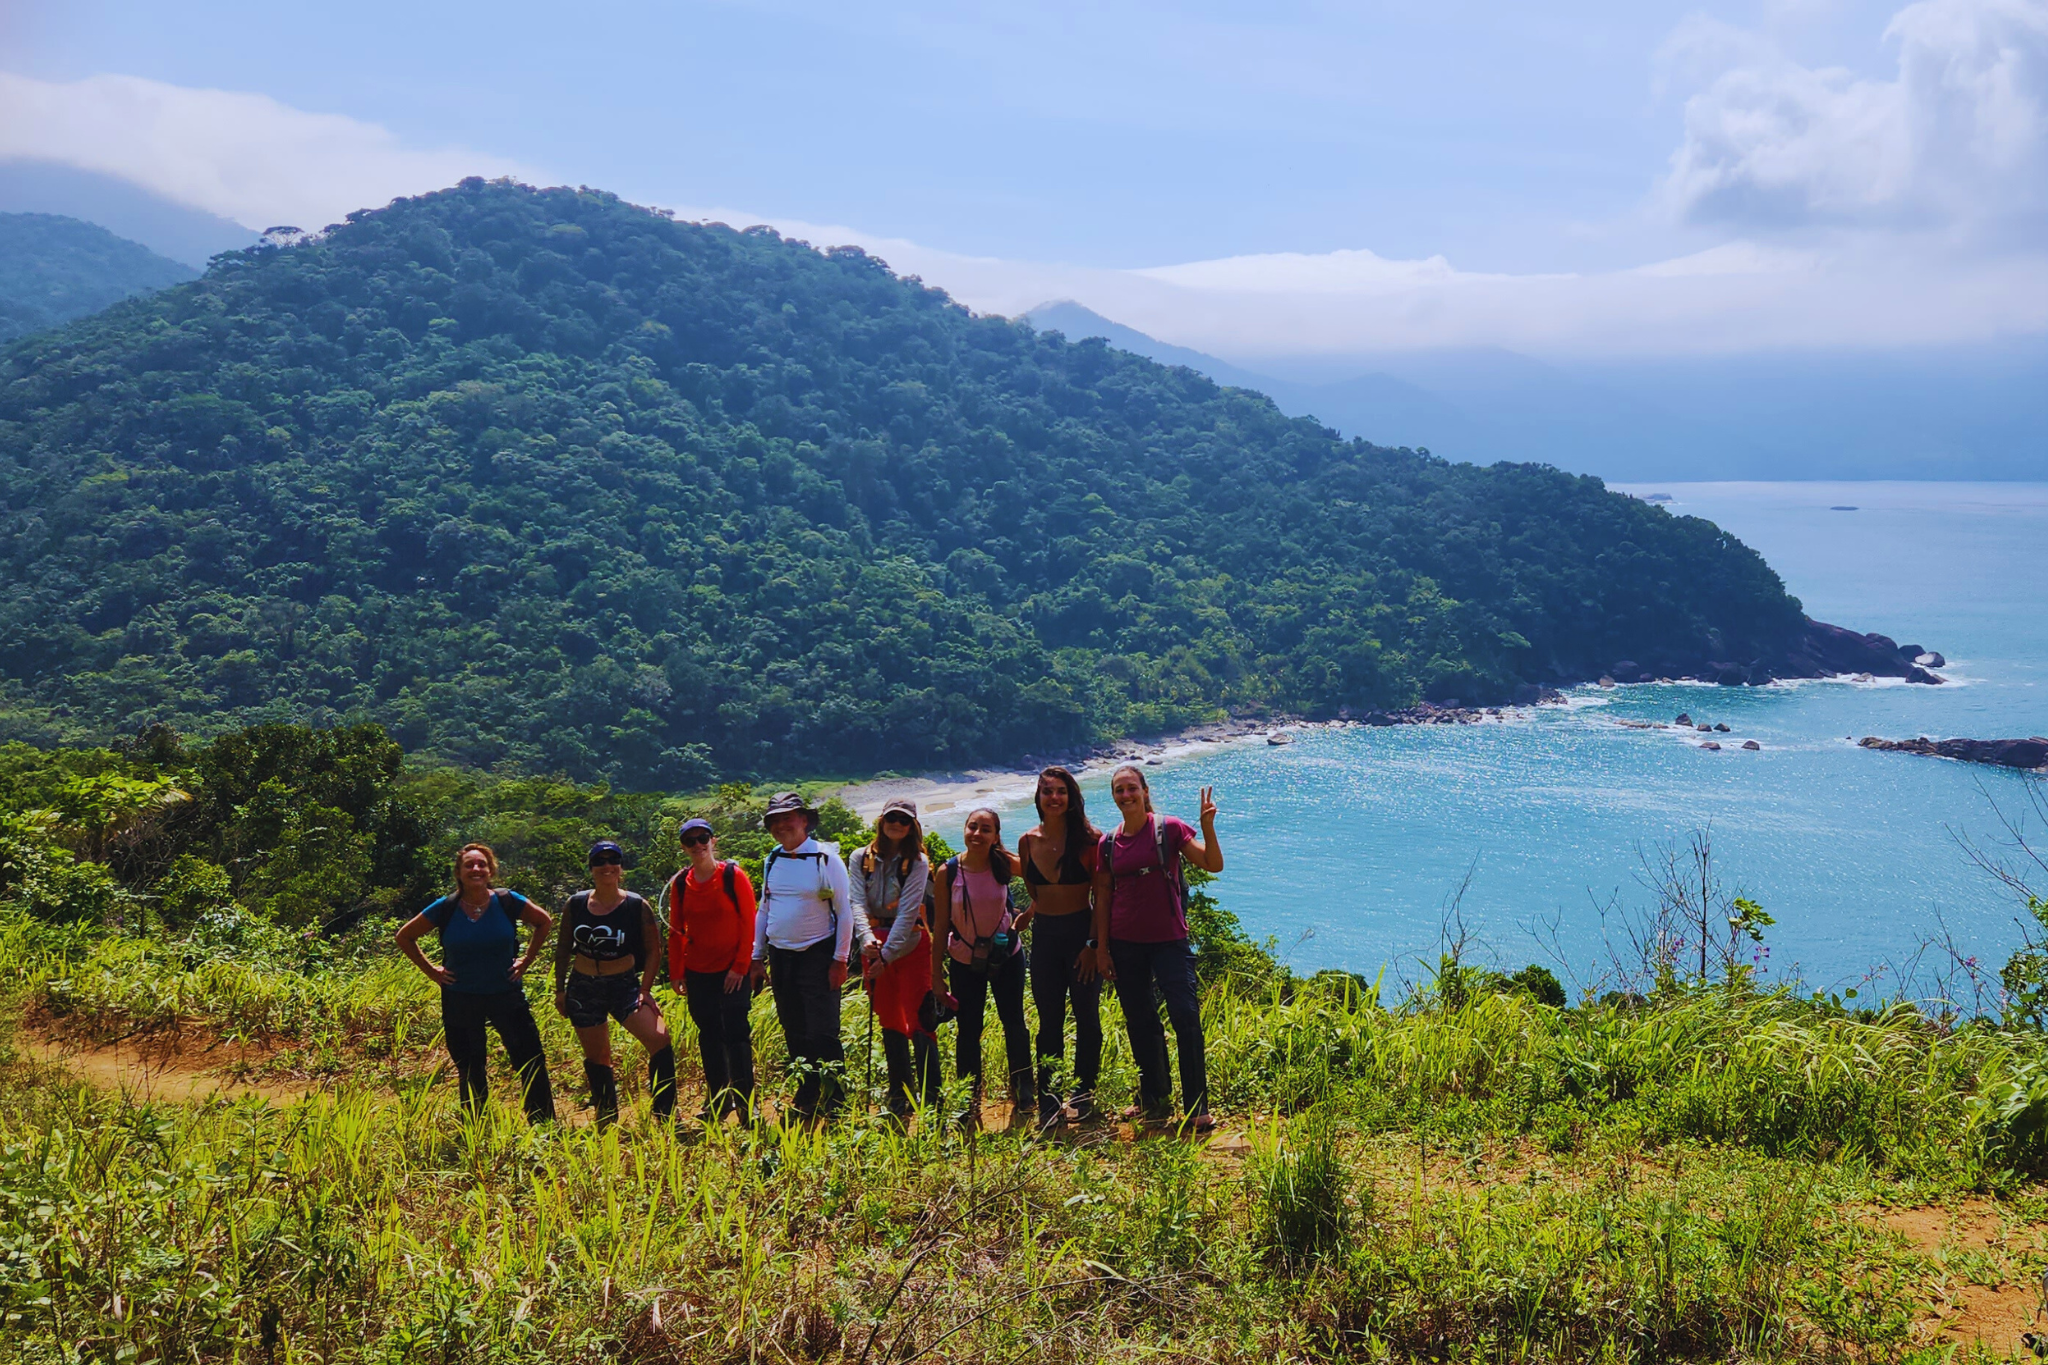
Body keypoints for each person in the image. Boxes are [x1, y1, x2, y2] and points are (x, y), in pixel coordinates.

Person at [1089, 769, 1224, 1134]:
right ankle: (1153, 1097)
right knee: (1140, 1020)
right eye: (1119, 790)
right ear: (1114, 796)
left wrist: (1207, 827)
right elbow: (1102, 896)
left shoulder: (1170, 828)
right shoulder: (1108, 843)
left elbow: (1213, 864)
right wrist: (1101, 949)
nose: (1126, 795)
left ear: (1144, 791)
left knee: (1185, 1016)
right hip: (1124, 941)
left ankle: (1197, 1107)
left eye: (1132, 788)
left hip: (1169, 941)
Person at [395, 842, 556, 1124]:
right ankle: (476, 1128)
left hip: (506, 992)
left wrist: (527, 959)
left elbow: (544, 922)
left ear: (491, 870)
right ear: (459, 872)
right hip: (461, 997)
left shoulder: (507, 901)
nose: (476, 869)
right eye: (469, 865)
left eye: (481, 864)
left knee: (529, 1059)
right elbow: (404, 936)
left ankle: (543, 1125)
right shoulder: (445, 907)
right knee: (470, 1066)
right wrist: (432, 971)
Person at [748, 792, 855, 1124]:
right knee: (793, 1027)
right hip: (781, 957)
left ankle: (836, 1097)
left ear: (804, 820)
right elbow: (765, 908)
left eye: (788, 817)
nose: (781, 825)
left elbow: (845, 912)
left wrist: (839, 960)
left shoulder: (826, 859)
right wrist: (757, 956)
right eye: (775, 820)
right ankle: (807, 1089)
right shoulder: (772, 859)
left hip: (818, 954)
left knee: (824, 1030)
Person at [552, 840, 673, 1128]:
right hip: (584, 986)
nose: (607, 866)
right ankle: (606, 1116)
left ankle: (665, 1112)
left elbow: (655, 948)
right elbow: (563, 946)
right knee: (597, 1055)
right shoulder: (577, 904)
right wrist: (560, 989)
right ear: (591, 868)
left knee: (659, 1039)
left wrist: (645, 989)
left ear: (620, 867)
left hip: (624, 985)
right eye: (600, 861)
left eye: (613, 860)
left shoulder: (635, 905)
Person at [934, 807, 1032, 1129]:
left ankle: (1024, 1093)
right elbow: (939, 925)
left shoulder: (1005, 863)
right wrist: (936, 976)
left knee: (1014, 1024)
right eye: (972, 827)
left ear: (995, 836)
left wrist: (1030, 914)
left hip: (1007, 956)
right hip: (964, 961)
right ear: (964, 830)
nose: (977, 834)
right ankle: (968, 1101)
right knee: (968, 1031)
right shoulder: (947, 872)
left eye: (985, 829)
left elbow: (1044, 881)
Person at [1018, 766, 1103, 1126]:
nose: (1054, 798)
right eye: (1047, 791)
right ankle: (1049, 1103)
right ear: (1038, 798)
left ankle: (1083, 1095)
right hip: (1046, 937)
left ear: (1071, 798)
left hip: (1081, 933)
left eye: (1061, 792)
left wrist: (1092, 944)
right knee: (1048, 1020)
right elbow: (1037, 892)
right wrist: (1029, 913)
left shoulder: (1089, 840)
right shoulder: (1027, 841)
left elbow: (1103, 897)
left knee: (1086, 1015)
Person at [850, 798, 939, 1123]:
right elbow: (856, 902)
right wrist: (867, 940)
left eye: (904, 820)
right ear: (882, 819)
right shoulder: (860, 858)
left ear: (912, 825)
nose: (897, 824)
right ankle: (899, 1093)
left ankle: (931, 1096)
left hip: (910, 944)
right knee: (889, 1018)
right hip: (874, 944)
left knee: (920, 1017)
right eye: (892, 817)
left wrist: (885, 955)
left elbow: (907, 913)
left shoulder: (917, 863)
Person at [665, 818, 758, 1123]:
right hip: (698, 971)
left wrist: (740, 967)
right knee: (709, 1035)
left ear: (712, 841)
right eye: (690, 841)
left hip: (732, 970)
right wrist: (677, 972)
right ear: (684, 847)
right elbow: (676, 929)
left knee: (736, 1034)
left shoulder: (733, 876)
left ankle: (747, 1106)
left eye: (702, 838)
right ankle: (719, 1101)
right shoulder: (681, 883)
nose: (697, 845)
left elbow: (749, 923)